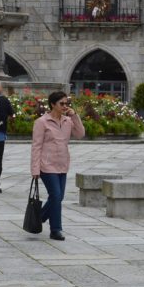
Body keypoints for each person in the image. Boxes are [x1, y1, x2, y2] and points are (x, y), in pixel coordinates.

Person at [31, 90, 85, 241]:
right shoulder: (42, 122)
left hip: (62, 164)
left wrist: (74, 115)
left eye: (67, 103)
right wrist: (35, 169)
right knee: (55, 195)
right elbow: (36, 147)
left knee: (58, 197)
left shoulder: (68, 121)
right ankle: (56, 229)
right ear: (52, 104)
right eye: (61, 103)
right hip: (46, 165)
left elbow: (80, 134)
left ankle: (40, 216)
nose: (65, 106)